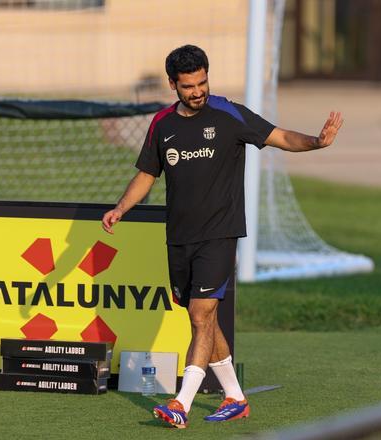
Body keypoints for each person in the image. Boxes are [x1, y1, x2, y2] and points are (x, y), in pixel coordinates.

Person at [102, 45, 343, 429]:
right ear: (173, 85)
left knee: (201, 314)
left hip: (221, 232)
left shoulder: (229, 114)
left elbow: (278, 136)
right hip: (180, 236)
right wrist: (120, 208)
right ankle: (235, 396)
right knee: (201, 318)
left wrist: (316, 141)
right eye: (188, 86)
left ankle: (180, 403)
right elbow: (148, 173)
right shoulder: (162, 124)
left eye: (202, 82)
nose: (197, 91)